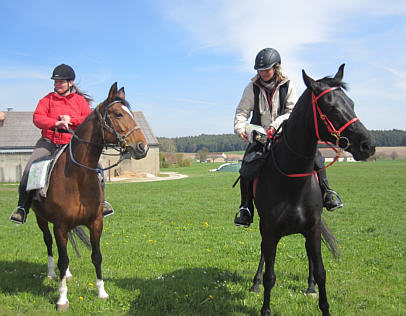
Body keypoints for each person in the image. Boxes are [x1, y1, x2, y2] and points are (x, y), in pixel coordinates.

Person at [233, 48, 343, 228]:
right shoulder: (251, 88)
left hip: (286, 132)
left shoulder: (288, 85)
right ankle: (245, 208)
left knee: (315, 156)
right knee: (247, 166)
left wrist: (275, 125)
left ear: (276, 68)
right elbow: (241, 112)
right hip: (260, 135)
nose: (262, 73)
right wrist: (241, 129)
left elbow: (291, 111)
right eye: (259, 70)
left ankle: (327, 193)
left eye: (266, 69)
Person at [9, 64, 114, 224]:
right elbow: (37, 118)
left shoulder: (80, 101)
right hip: (49, 142)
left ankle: (102, 204)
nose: (57, 84)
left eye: (61, 82)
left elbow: (89, 120)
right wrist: (55, 123)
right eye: (55, 82)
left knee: (97, 167)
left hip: (72, 143)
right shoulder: (46, 100)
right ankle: (22, 207)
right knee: (30, 167)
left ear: (70, 83)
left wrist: (71, 120)